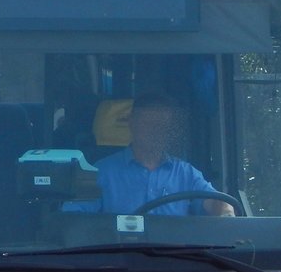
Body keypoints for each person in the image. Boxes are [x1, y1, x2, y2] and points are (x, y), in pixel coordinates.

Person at [76, 92, 234, 216]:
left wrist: (225, 211)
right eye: (148, 124)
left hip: (178, 257)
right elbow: (75, 218)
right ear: (132, 123)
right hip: (118, 255)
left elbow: (215, 203)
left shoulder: (186, 174)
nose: (155, 131)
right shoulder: (101, 172)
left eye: (161, 125)